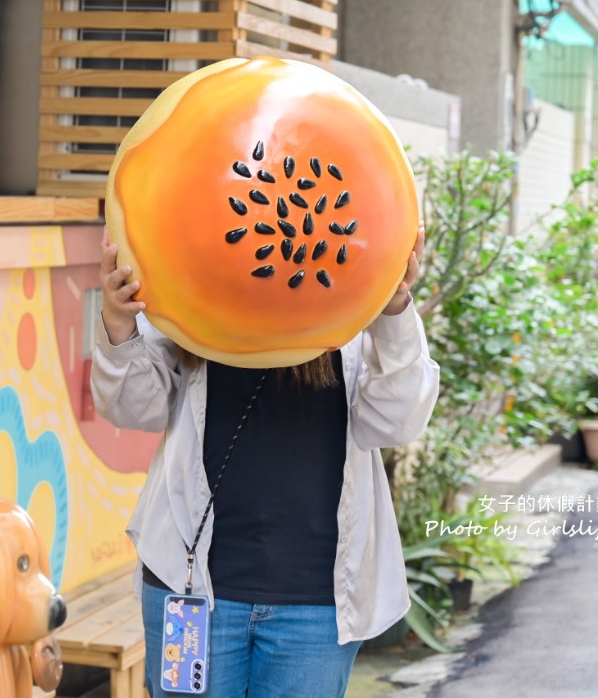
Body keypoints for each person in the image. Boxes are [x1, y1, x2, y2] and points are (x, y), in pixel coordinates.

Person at [91, 226, 439, 697]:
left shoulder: (355, 298)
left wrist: (392, 309)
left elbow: (397, 422)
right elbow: (136, 409)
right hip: (192, 587)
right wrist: (118, 322)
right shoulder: (190, 280)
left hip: (316, 605)